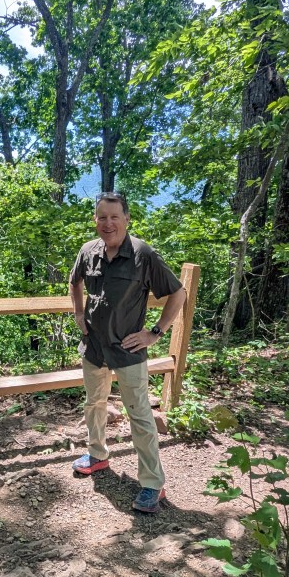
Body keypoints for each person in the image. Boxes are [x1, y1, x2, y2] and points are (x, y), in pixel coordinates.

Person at [69, 192, 187, 513]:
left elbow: (178, 293)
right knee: (94, 403)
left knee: (139, 414)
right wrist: (78, 313)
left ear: (126, 219)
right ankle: (97, 456)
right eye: (102, 217)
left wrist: (155, 333)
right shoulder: (88, 251)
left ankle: (153, 483)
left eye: (114, 217)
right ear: (95, 220)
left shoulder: (142, 254)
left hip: (128, 350)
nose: (108, 223)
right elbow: (74, 282)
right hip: (94, 347)